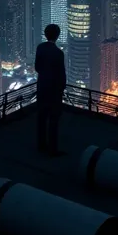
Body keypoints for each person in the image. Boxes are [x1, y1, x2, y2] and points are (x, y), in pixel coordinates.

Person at [34, 23, 66, 156]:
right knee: (53, 119)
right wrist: (61, 88)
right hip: (54, 91)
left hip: (42, 87)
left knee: (41, 117)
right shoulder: (58, 53)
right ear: (57, 36)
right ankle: (52, 149)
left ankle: (41, 145)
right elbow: (61, 73)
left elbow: (37, 67)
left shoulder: (40, 47)